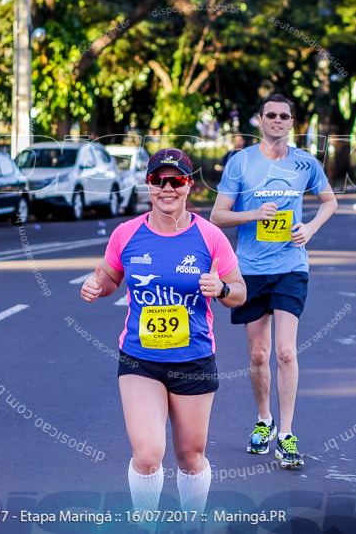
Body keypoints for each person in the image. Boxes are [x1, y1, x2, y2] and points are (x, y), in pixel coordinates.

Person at [80, 148, 246, 517]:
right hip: (141, 358)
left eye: (177, 180)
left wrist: (220, 289)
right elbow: (109, 277)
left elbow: (239, 292)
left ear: (189, 185)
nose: (167, 188)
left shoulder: (210, 237)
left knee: (190, 457)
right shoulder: (127, 234)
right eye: (158, 180)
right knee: (148, 454)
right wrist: (97, 286)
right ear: (148, 184)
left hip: (193, 361)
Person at [210, 95, 338, 469]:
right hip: (249, 269)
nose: (277, 121)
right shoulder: (241, 162)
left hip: (291, 266)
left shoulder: (305, 163)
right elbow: (218, 216)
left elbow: (329, 201)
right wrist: (253, 213)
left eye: (284, 116)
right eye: (271, 115)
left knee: (285, 351)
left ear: (292, 122)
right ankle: (264, 420)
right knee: (259, 354)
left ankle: (286, 434)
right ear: (260, 119)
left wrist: (310, 227)